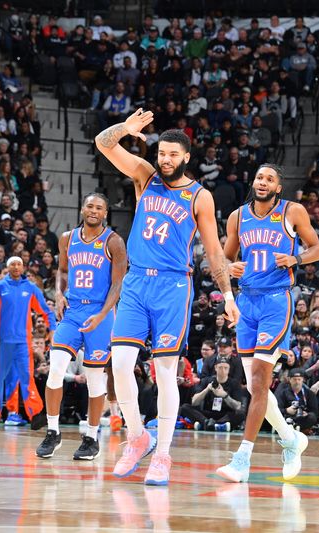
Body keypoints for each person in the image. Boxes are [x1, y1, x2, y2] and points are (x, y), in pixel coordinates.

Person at [95, 109, 239, 486]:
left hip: (174, 286)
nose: (165, 159)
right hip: (137, 281)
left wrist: (227, 294)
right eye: (162, 153)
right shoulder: (145, 176)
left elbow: (213, 250)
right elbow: (102, 144)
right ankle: (137, 436)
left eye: (173, 155)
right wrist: (125, 130)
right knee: (121, 364)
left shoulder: (199, 196)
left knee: (164, 373)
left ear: (186, 157)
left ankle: (163, 456)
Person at [215, 163, 319, 482]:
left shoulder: (293, 211)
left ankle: (242, 458)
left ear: (278, 188)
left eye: (270, 179)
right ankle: (291, 441)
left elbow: (316, 249)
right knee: (254, 385)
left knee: (260, 380)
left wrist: (296, 259)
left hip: (277, 300)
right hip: (246, 301)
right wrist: (230, 268)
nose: (263, 182)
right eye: (259, 176)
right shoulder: (238, 216)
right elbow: (224, 258)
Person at [37, 193, 126, 461]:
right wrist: (59, 294)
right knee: (55, 369)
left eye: (99, 207)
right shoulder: (67, 239)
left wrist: (102, 315)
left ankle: (91, 437)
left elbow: (117, 285)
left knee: (95, 378)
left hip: (100, 314)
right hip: (73, 311)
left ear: (106, 213)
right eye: (90, 206)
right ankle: (53, 432)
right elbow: (62, 272)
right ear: (82, 209)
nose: (94, 210)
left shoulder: (114, 242)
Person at [0, 255, 54, 430]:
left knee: (27, 378)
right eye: (12, 264)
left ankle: (35, 414)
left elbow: (46, 310)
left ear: (23, 268)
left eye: (19, 264)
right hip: (1, 342)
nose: (15, 267)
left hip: (22, 343)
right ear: (7, 267)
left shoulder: (31, 288)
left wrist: (53, 328)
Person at [179, 355, 245, 431]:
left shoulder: (234, 383)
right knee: (185, 407)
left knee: (241, 414)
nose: (223, 370)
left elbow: (237, 406)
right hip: (207, 414)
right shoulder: (206, 381)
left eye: (225, 368)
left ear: (229, 369)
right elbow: (194, 402)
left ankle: (210, 424)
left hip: (225, 414)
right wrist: (207, 389)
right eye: (220, 367)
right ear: (215, 368)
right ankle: (210, 423)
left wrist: (225, 395)